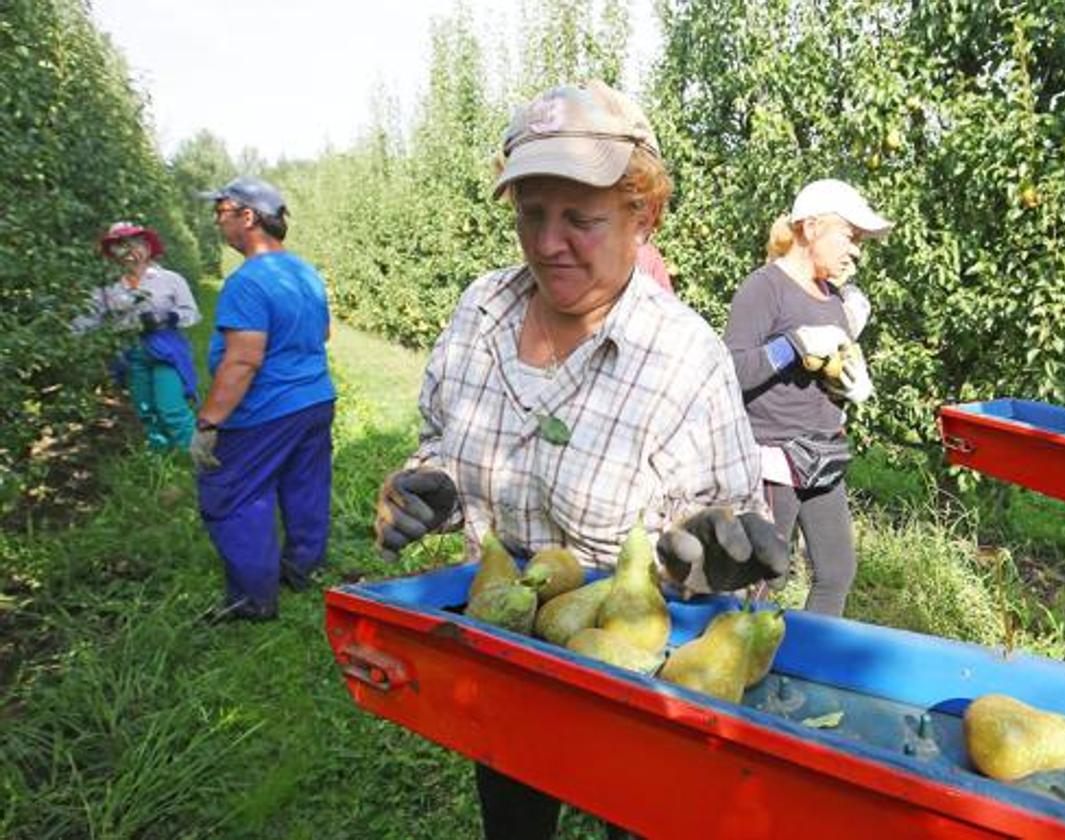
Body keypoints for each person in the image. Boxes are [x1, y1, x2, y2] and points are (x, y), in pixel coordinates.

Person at [372, 80, 789, 840]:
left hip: (630, 686)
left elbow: (728, 521)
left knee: (638, 816)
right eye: (531, 214)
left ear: (644, 215)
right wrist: (421, 488)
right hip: (503, 656)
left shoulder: (681, 357)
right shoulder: (481, 314)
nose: (547, 242)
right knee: (513, 815)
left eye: (581, 219)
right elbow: (441, 442)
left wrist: (719, 554)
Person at [723, 178, 892, 617]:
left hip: (822, 452)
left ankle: (811, 665)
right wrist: (791, 345)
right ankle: (736, 667)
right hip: (775, 458)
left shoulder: (833, 296)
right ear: (812, 227)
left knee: (837, 572)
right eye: (850, 237)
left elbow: (827, 367)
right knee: (764, 576)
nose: (856, 251)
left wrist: (849, 383)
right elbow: (730, 372)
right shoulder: (765, 288)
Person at [193, 176, 337, 623]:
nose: (218, 223)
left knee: (234, 492)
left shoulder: (248, 282)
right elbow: (324, 334)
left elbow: (242, 361)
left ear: (248, 216)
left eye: (221, 213)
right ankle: (302, 567)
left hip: (264, 410)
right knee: (304, 483)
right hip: (315, 399)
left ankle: (252, 597)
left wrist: (209, 423)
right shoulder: (304, 272)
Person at [73, 222, 201, 451]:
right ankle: (161, 456)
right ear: (112, 252)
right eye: (120, 246)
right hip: (129, 352)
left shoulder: (170, 279)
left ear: (148, 247)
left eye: (135, 244)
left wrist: (168, 318)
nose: (129, 252)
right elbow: (89, 318)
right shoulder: (108, 286)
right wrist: (66, 335)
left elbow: (191, 313)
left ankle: (195, 457)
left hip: (165, 349)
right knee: (146, 410)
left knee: (171, 408)